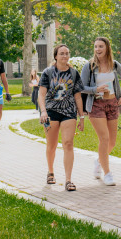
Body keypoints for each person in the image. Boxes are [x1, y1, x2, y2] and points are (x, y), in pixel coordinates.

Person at [80, 37, 121, 186]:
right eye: (96, 46)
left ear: (107, 48)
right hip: (96, 105)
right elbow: (81, 87)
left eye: (101, 46)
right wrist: (95, 89)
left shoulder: (114, 65)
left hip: (112, 104)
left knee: (112, 142)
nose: (98, 49)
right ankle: (107, 173)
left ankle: (99, 161)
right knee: (104, 139)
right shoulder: (89, 66)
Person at [38, 44, 85, 192]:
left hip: (69, 111)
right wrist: (43, 111)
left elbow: (78, 96)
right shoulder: (48, 72)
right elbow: (41, 94)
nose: (65, 56)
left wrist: (81, 116)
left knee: (68, 144)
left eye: (67, 53)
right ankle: (50, 172)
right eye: (62, 53)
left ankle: (68, 180)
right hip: (51, 111)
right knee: (51, 145)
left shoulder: (74, 73)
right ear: (56, 56)